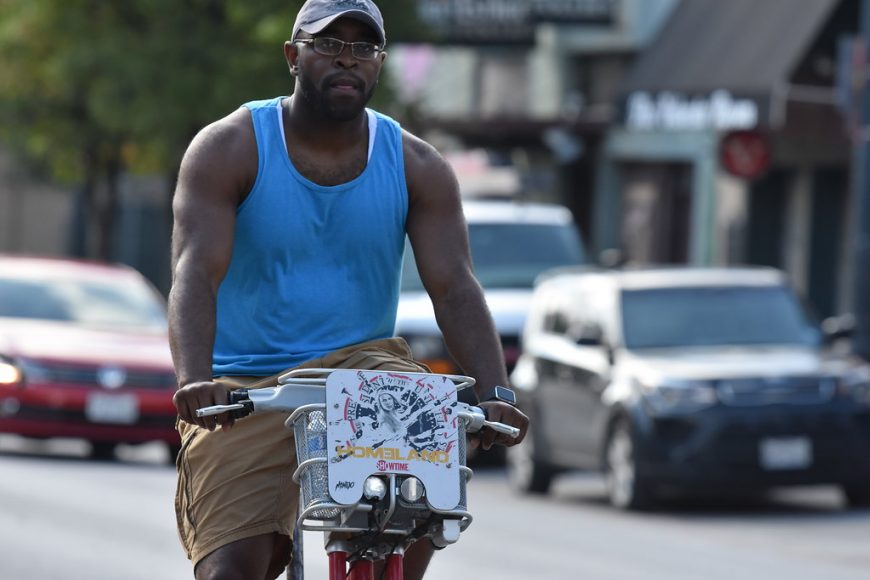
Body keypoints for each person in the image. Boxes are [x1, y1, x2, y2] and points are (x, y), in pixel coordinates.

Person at [168, 0, 529, 578]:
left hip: (365, 372)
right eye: (328, 44)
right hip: (245, 386)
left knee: (423, 498)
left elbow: (454, 286)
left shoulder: (417, 164)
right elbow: (194, 272)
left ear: (380, 64)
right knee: (232, 568)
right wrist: (194, 381)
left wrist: (496, 393)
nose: (347, 60)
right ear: (293, 55)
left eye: (364, 48)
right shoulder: (229, 147)